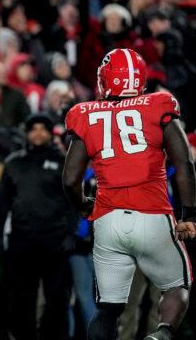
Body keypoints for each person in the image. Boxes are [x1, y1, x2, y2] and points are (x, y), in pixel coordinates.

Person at [63, 48, 196, 340]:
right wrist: (188, 215)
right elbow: (184, 163)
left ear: (103, 80)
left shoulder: (85, 113)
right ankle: (160, 335)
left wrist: (83, 205)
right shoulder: (159, 104)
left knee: (108, 308)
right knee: (177, 286)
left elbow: (70, 178)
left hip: (108, 219)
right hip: (152, 214)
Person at [0, 113, 76, 340]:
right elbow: (2, 205)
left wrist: (70, 234)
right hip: (22, 241)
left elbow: (72, 203)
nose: (38, 133)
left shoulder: (63, 162)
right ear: (27, 133)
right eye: (34, 129)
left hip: (55, 242)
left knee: (57, 298)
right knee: (22, 297)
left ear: (51, 134)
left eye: (43, 129)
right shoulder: (14, 163)